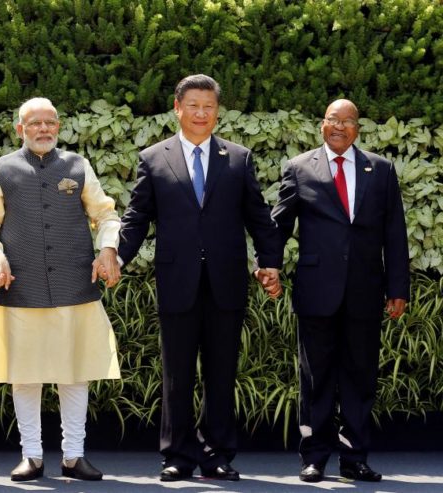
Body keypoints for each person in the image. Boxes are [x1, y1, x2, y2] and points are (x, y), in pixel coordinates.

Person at [117, 74, 281, 482]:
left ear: (217, 112)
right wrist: (116, 257)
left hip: (226, 281)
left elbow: (259, 218)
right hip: (177, 281)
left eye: (209, 106)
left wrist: (270, 262)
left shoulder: (238, 158)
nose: (201, 113)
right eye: (193, 105)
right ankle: (177, 455)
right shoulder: (153, 158)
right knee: (177, 375)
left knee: (221, 374)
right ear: (178, 108)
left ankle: (217, 455)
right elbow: (137, 217)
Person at [0, 97, 122, 482]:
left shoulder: (78, 165)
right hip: (20, 287)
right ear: (19, 129)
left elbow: (106, 214)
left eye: (50, 122)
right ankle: (32, 456)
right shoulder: (1, 169)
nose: (43, 129)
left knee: (75, 373)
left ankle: (74, 456)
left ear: (58, 126)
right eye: (35, 123)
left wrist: (108, 249)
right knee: (25, 375)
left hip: (75, 285)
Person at [270, 99, 409, 483]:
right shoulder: (299, 168)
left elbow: (394, 232)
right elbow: (279, 224)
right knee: (315, 378)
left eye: (348, 121)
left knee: (359, 377)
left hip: (365, 290)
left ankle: (354, 458)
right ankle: (313, 457)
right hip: (317, 290)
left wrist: (398, 286)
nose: (340, 126)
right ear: (322, 124)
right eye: (334, 119)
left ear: (357, 129)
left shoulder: (380, 170)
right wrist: (268, 264)